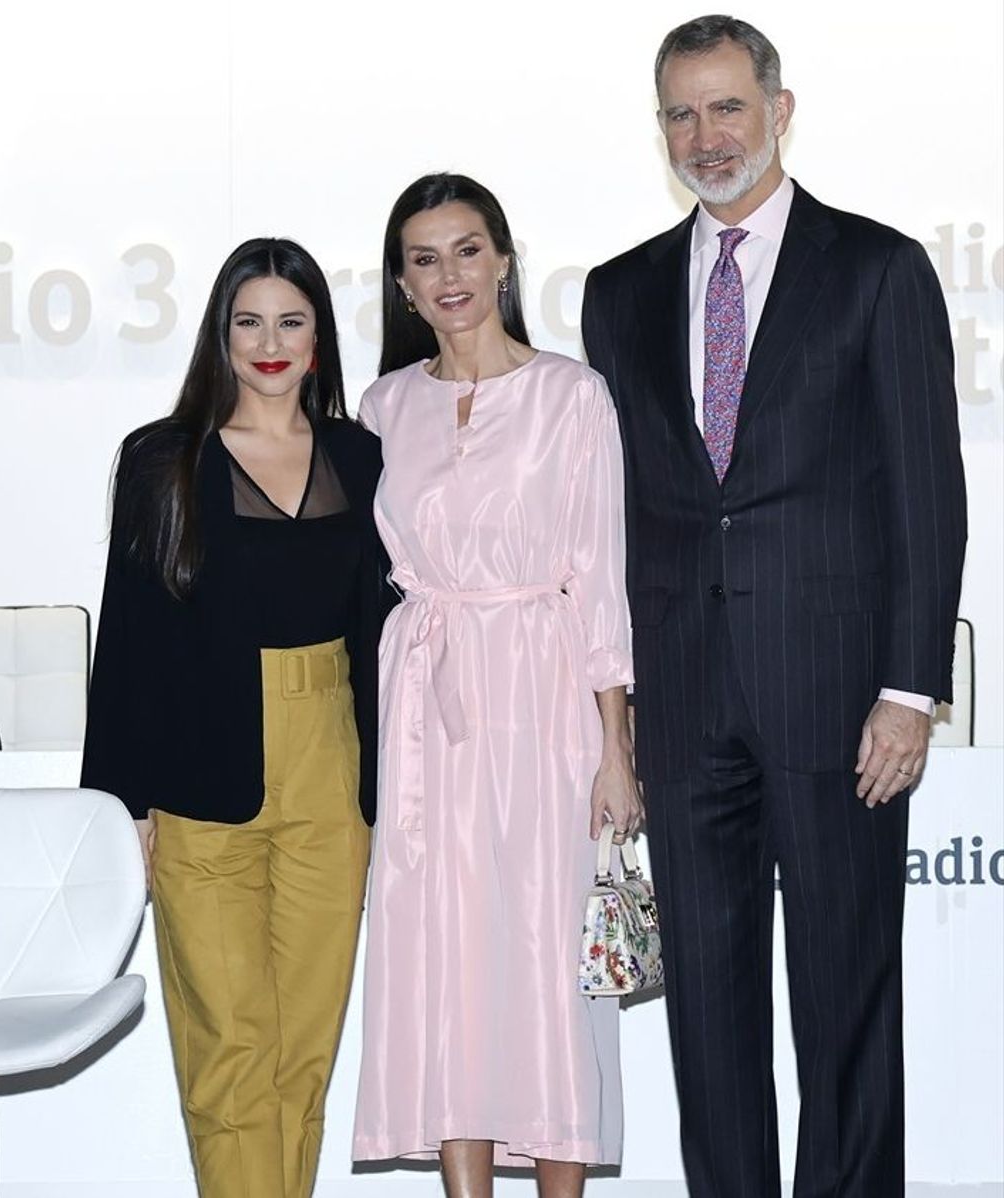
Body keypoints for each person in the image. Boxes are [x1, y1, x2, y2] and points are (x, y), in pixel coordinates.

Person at [582, 16, 967, 1198]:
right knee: (708, 1020)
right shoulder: (618, 292)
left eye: (727, 108)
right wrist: (619, 705)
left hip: (841, 701)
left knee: (846, 1006)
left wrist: (908, 690)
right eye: (682, 115)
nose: (707, 136)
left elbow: (927, 491)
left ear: (779, 111)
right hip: (687, 706)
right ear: (661, 131)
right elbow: (620, 511)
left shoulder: (879, 268)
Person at [351, 173, 641, 1198]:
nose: (449, 276)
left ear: (503, 259)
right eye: (424, 259)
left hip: (543, 694)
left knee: (544, 958)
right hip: (424, 709)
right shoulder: (383, 406)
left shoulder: (572, 393)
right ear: (401, 282)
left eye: (466, 251)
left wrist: (615, 747)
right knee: (444, 964)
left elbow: (598, 572)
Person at [81, 237, 390, 1198]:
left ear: (317, 338)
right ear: (220, 335)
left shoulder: (362, 455)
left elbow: (385, 638)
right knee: (230, 1054)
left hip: (329, 775)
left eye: (290, 322)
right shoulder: (163, 459)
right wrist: (119, 806)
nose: (269, 342)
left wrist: (392, 791)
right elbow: (127, 639)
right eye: (247, 322)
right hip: (200, 776)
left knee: (303, 1054)